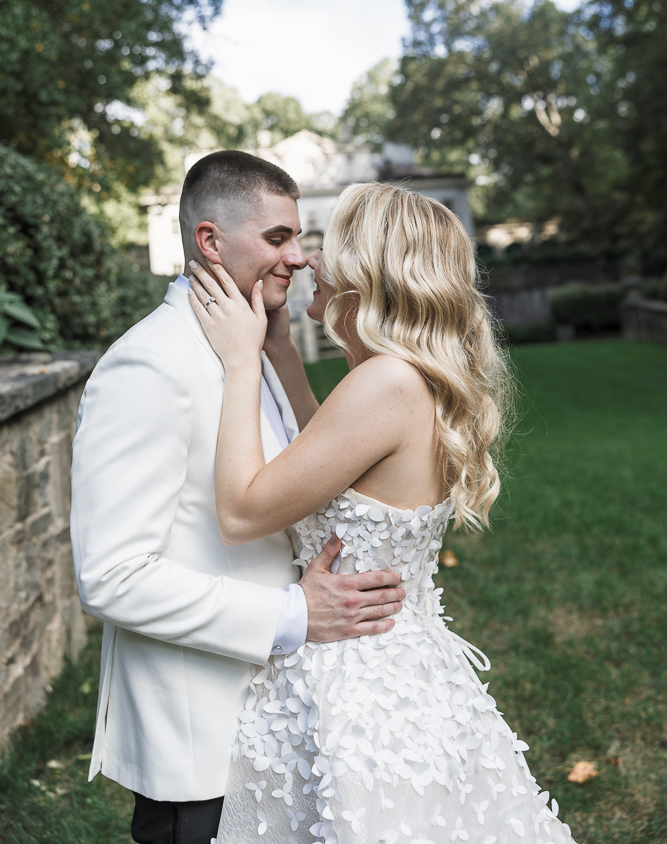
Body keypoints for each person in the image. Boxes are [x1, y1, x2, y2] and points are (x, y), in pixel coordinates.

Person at [187, 181, 577, 844]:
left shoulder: (385, 382)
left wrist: (238, 362)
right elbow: (332, 467)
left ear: (367, 271)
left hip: (362, 687)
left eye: (326, 246)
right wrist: (281, 351)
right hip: (394, 663)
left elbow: (245, 510)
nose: (309, 260)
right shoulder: (400, 377)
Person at [70, 152, 406, 844]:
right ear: (210, 242)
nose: (302, 260)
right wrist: (292, 611)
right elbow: (111, 576)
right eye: (278, 239)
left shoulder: (248, 347)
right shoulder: (150, 364)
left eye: (300, 240)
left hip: (280, 722)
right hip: (199, 749)